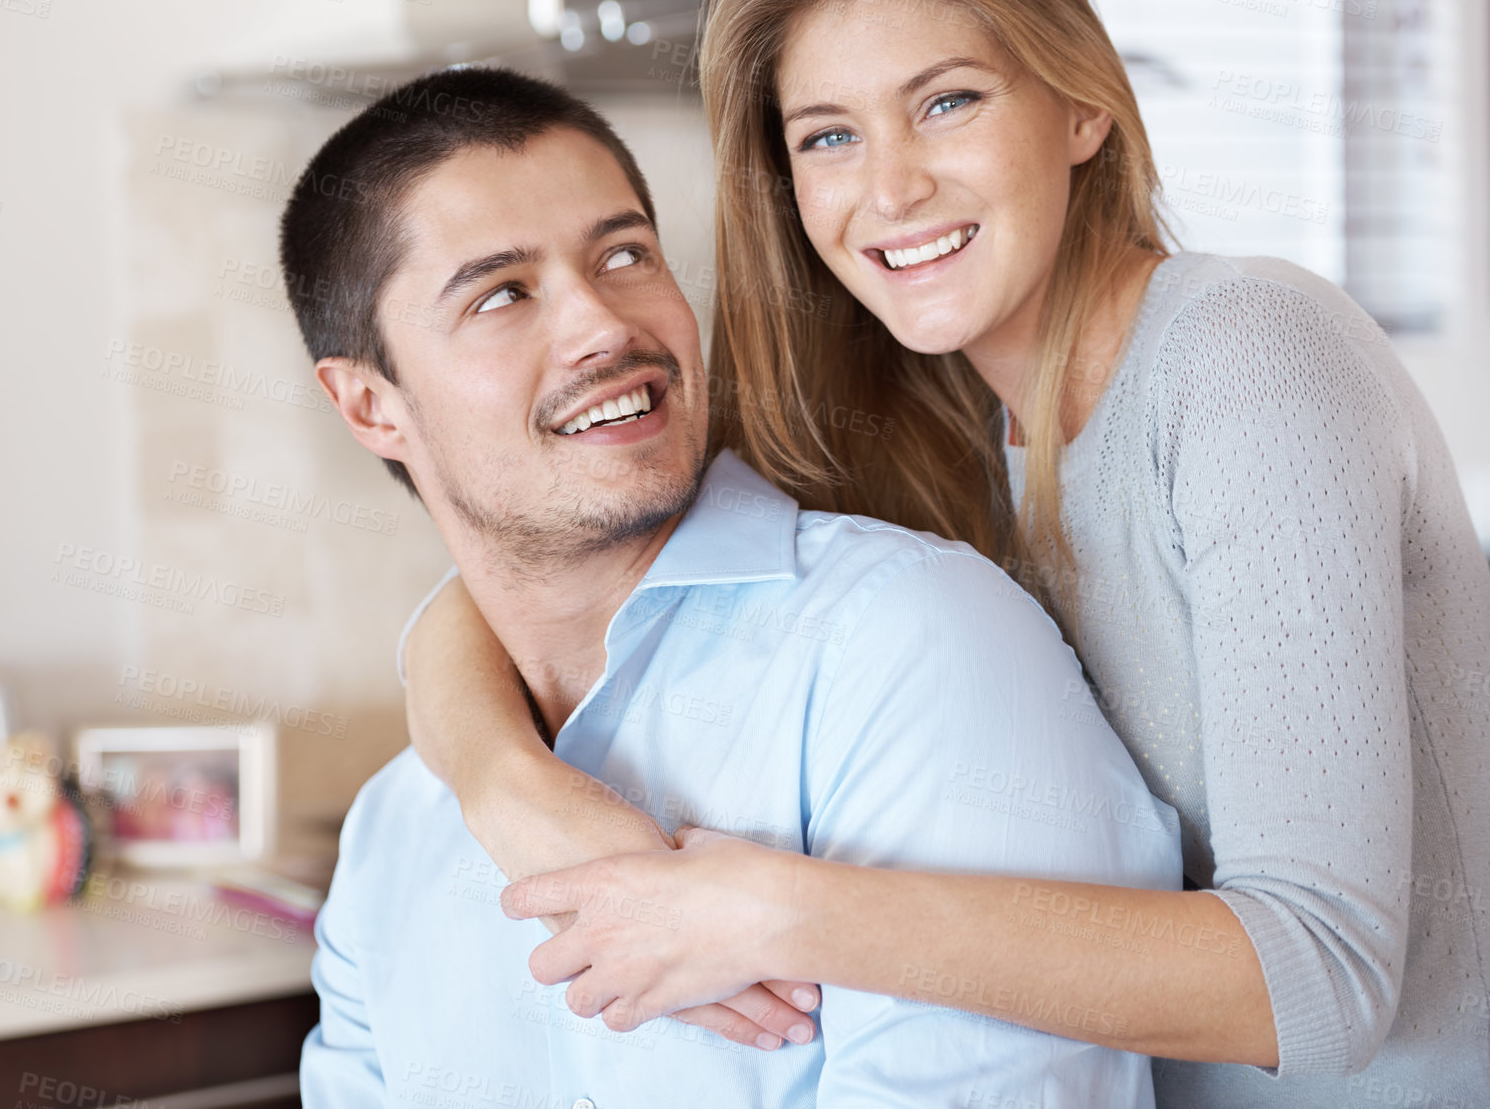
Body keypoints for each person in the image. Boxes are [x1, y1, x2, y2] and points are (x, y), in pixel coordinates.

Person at [400, 0, 1490, 1105]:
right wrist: (510, 789)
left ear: (1081, 107)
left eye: (948, 103)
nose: (890, 188)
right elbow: (523, 576)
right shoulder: (927, 427)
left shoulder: (1242, 355)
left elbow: (1323, 981)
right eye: (829, 136)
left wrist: (774, 913)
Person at [286, 65, 1182, 1106]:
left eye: (623, 254)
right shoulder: (395, 832)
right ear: (369, 405)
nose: (602, 326)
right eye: (502, 294)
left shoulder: (905, 644)